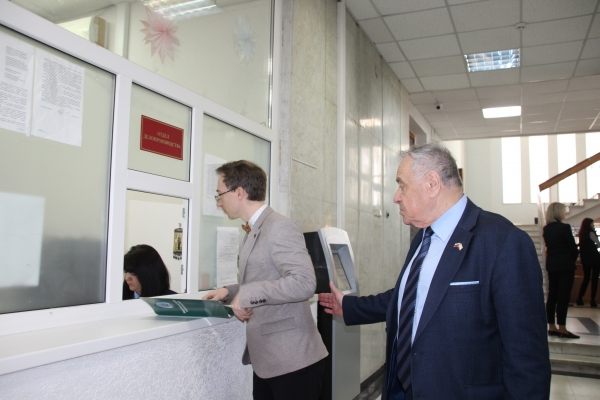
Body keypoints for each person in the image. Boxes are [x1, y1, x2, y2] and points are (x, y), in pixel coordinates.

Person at [319, 143, 550, 400]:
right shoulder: (423, 238)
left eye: (402, 186)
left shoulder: (503, 242)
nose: (396, 196)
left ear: (432, 184)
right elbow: (413, 297)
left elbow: (527, 360)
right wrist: (349, 306)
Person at [202, 160, 327, 400]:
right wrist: (230, 291)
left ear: (239, 192)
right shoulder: (255, 229)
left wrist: (247, 295)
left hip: (293, 362)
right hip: (270, 362)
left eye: (220, 195)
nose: (218, 202)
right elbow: (264, 277)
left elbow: (303, 283)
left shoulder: (279, 227)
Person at [543, 202, 579, 338]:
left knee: (552, 295)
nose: (565, 213)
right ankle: (562, 328)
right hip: (565, 265)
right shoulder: (564, 227)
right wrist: (572, 258)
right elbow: (573, 248)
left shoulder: (546, 229)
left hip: (552, 264)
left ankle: (551, 326)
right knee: (563, 296)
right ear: (558, 212)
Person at [576, 217, 600, 307]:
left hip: (585, 259)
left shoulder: (581, 233)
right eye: (592, 223)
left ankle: (580, 297)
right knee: (594, 279)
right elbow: (598, 243)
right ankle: (592, 299)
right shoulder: (591, 232)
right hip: (594, 258)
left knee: (586, 278)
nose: (593, 225)